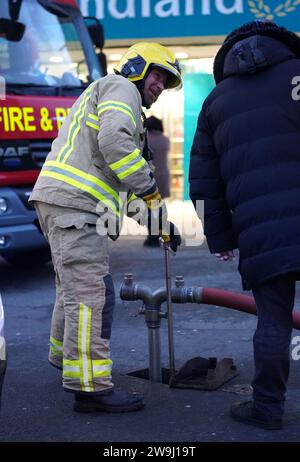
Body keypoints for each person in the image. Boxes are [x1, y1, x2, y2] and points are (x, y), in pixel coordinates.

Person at [29, 42, 182, 413]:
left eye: (167, 81)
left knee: (75, 290)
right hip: (75, 206)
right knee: (89, 296)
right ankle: (91, 387)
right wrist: (150, 189)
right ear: (137, 68)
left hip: (67, 202)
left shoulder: (115, 98)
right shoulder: (121, 89)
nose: (160, 86)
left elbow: (121, 185)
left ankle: (68, 362)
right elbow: (117, 146)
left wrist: (160, 224)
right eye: (158, 75)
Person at [189, 20, 300, 430]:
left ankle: (267, 410)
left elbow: (203, 182)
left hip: (262, 233)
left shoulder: (217, 101)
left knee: (273, 320)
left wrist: (219, 235)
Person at [144, 116, 170, 247]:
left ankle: (152, 236)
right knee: (158, 207)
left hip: (150, 177)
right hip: (163, 176)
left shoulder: (146, 139)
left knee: (150, 208)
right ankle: (158, 234)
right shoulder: (165, 140)